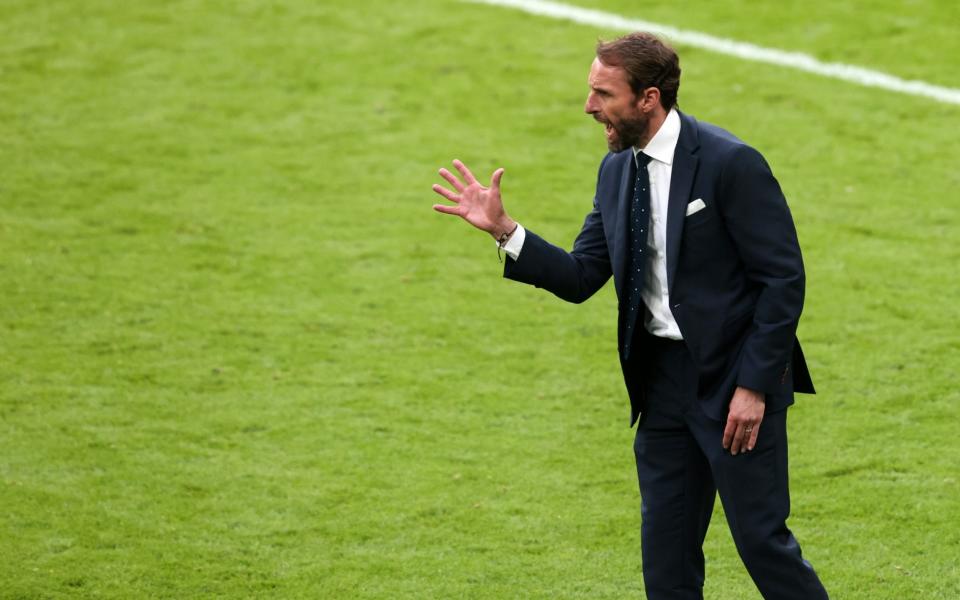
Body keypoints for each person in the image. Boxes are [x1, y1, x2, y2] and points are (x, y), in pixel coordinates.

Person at [431, 32, 828, 600]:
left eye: (602, 94)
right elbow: (580, 275)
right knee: (665, 559)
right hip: (661, 385)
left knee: (762, 543)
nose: (590, 107)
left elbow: (783, 280)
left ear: (649, 98)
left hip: (733, 383)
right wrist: (505, 231)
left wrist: (754, 387)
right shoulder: (616, 172)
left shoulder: (729, 163)